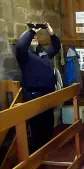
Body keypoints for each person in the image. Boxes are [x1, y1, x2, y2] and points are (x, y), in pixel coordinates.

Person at [14, 22, 61, 154]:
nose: (35, 39)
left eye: (36, 37)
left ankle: (44, 153)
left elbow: (56, 47)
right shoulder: (24, 56)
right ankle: (36, 156)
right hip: (34, 95)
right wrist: (32, 30)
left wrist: (51, 32)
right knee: (37, 130)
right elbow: (20, 45)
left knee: (48, 127)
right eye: (32, 38)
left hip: (48, 94)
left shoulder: (43, 53)